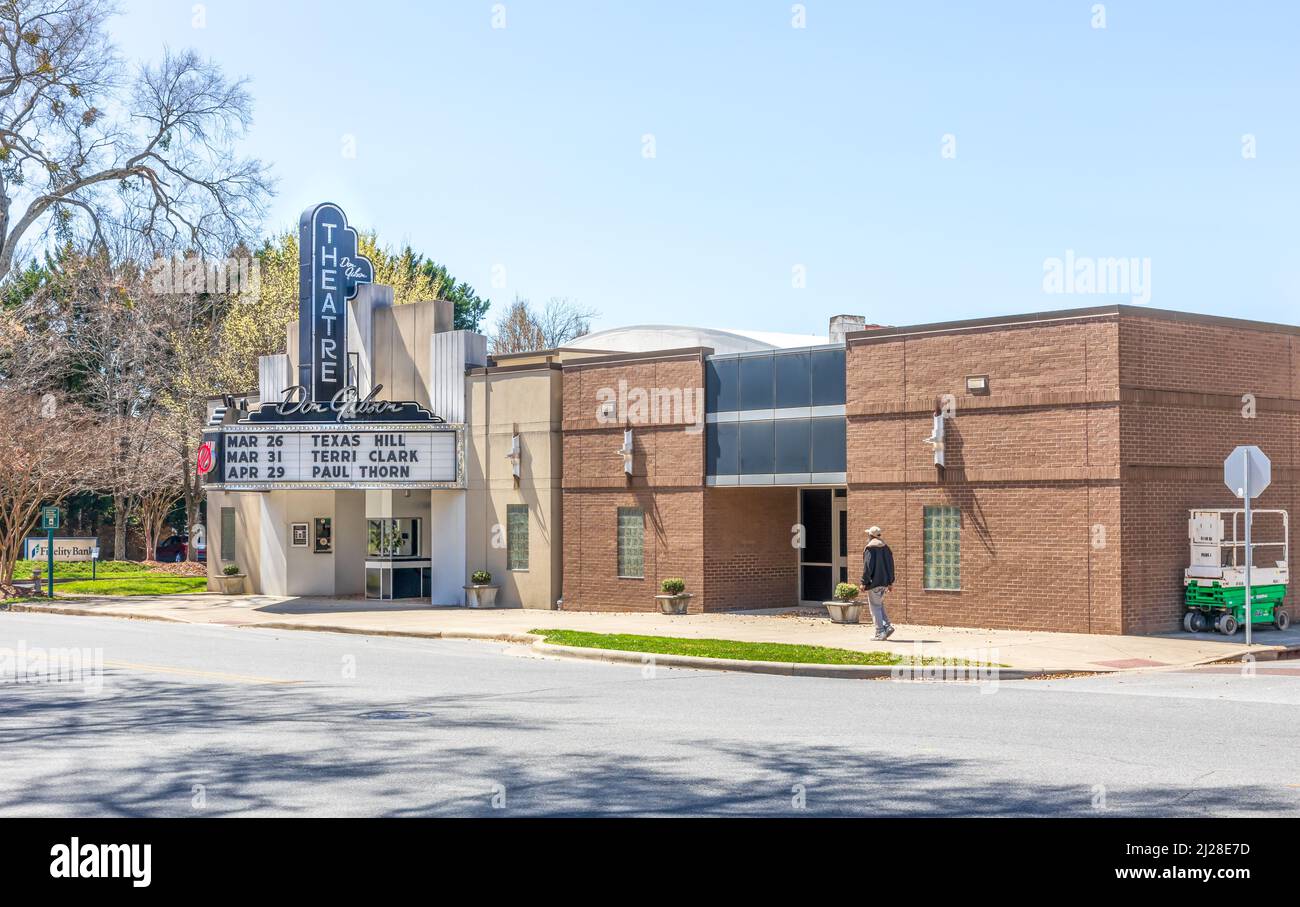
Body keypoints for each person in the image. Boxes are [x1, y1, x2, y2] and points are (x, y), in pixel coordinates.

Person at [861, 526, 895, 640]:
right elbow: (891, 566)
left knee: (875, 607)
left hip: (874, 583)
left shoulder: (870, 548)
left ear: (870, 536)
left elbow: (867, 567)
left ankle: (880, 632)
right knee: (879, 605)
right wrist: (890, 582)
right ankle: (887, 626)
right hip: (884, 582)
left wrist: (863, 582)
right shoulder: (886, 548)